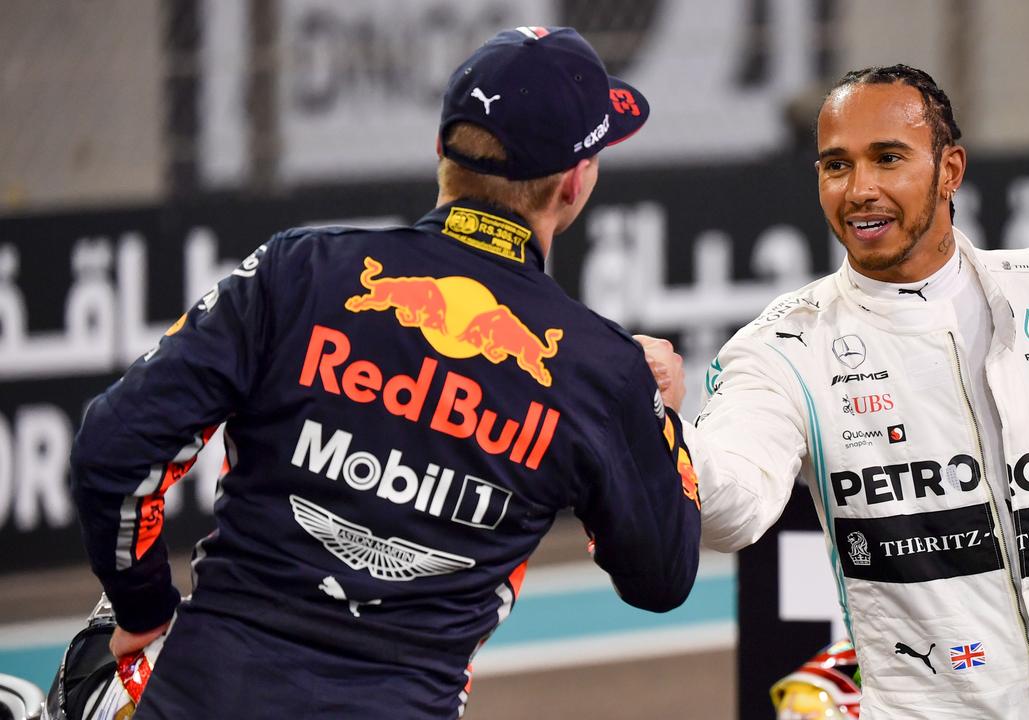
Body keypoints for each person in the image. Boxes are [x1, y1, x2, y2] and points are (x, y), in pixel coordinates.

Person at [70, 25, 702, 719]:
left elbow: (113, 450)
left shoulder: (300, 270)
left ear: (441, 151)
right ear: (575, 183)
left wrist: (142, 607)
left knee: (92, 664)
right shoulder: (599, 370)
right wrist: (658, 418)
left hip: (206, 692)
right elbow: (662, 576)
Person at [638, 65, 1029, 718]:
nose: (860, 189)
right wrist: (658, 424)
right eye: (836, 166)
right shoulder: (783, 348)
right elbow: (736, 504)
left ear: (950, 170)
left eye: (888, 158)